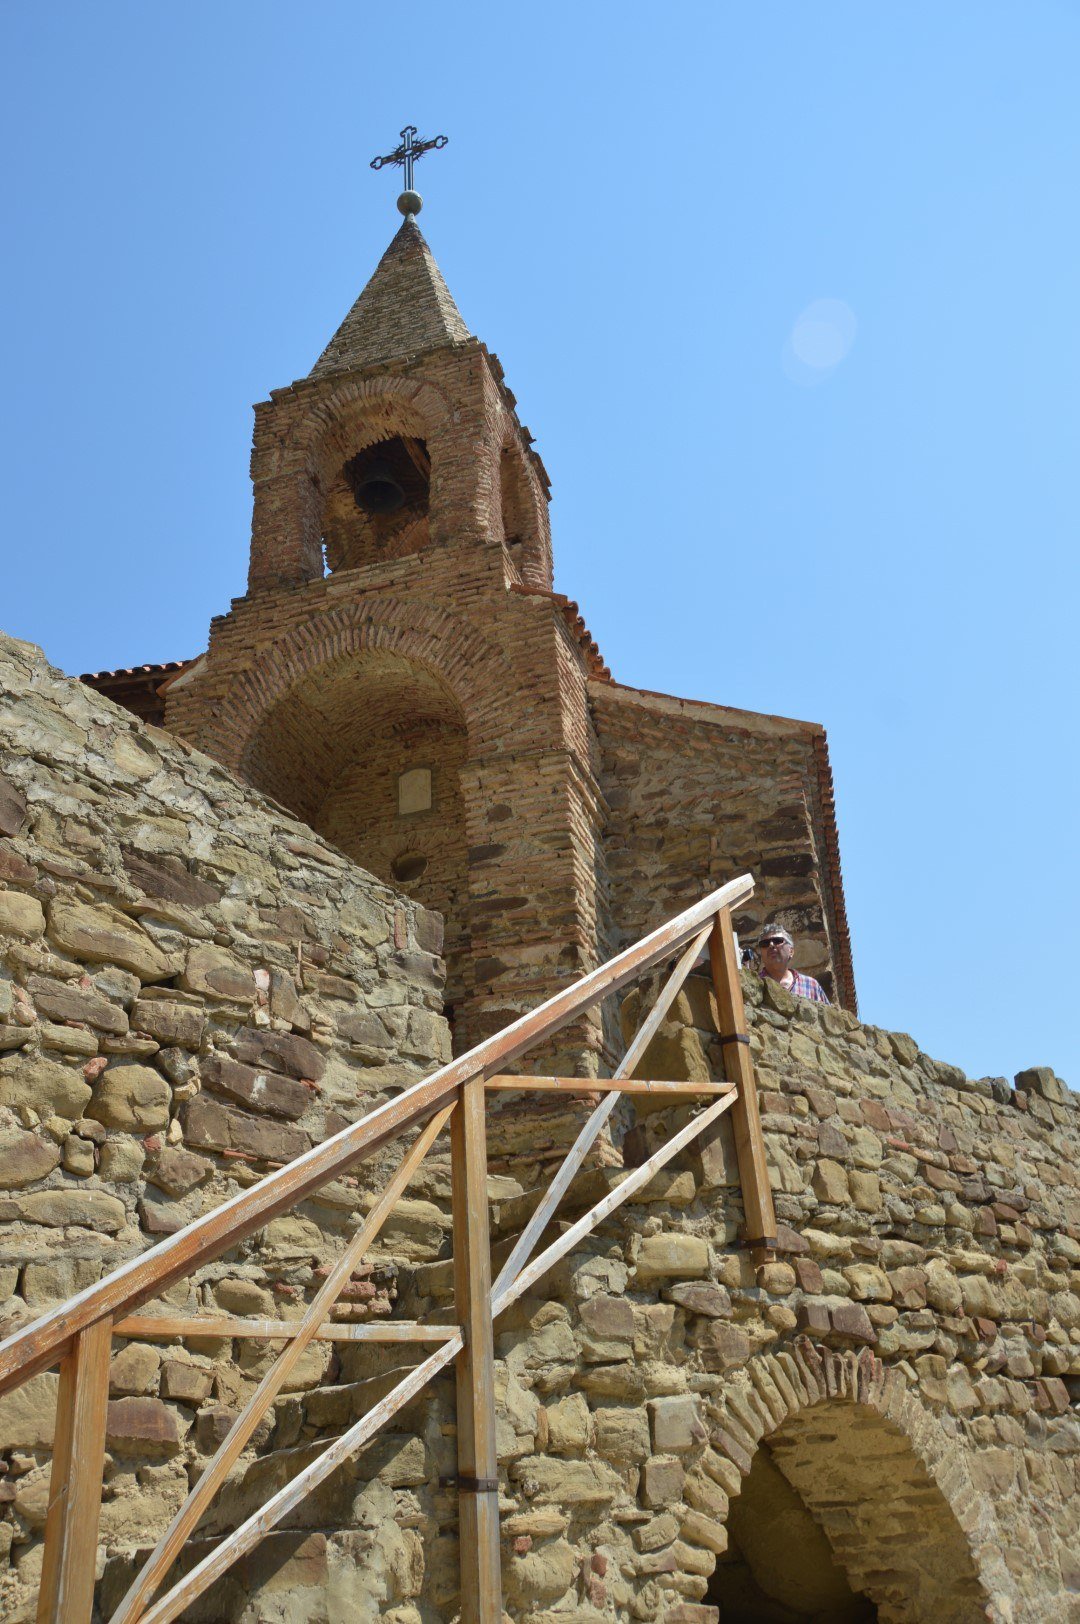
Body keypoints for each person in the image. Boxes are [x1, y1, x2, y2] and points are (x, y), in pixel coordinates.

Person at [757, 924, 830, 1004]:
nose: (771, 945)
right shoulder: (754, 984)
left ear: (791, 951)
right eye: (765, 943)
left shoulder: (811, 985)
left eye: (777, 941)